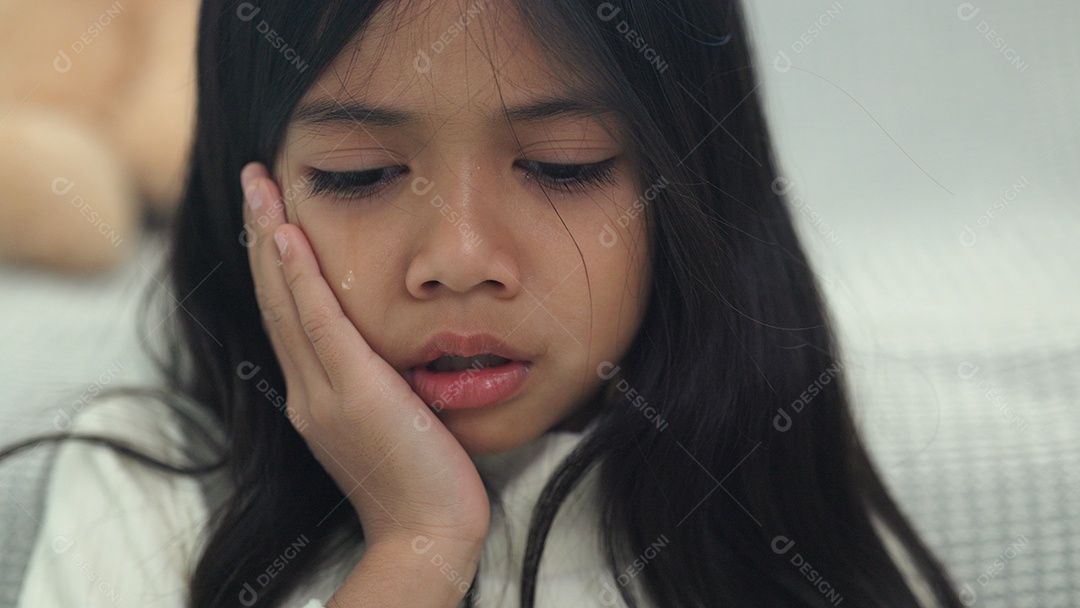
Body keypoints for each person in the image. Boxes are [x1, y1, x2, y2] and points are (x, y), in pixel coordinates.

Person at [9, 0, 966, 606]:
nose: (460, 259)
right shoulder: (146, 500)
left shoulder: (771, 528)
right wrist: (416, 549)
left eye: (564, 167)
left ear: (693, 189)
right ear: (245, 198)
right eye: (361, 174)